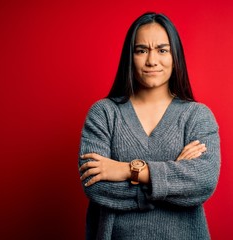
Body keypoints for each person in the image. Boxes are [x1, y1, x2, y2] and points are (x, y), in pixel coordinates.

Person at [78, 12, 220, 240]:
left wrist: (128, 170)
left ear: (175, 56)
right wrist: (172, 176)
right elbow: (95, 186)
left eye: (162, 50)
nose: (152, 60)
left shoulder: (197, 116)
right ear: (130, 56)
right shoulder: (104, 113)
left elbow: (202, 182)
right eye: (141, 50)